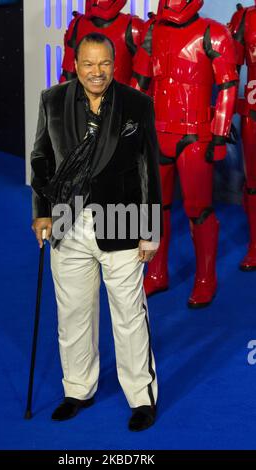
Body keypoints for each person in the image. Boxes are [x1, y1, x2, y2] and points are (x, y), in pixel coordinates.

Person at [30, 33, 162, 432]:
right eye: (88, 64)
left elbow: (148, 170)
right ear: (75, 63)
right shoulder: (52, 100)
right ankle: (77, 389)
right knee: (72, 314)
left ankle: (141, 397)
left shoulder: (137, 104)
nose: (97, 72)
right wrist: (42, 213)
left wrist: (149, 230)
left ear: (114, 62)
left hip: (122, 222)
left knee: (129, 315)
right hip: (67, 224)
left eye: (104, 63)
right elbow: (41, 161)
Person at [131, 0, 238, 308]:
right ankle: (156, 272)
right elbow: (139, 84)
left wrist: (218, 135)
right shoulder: (153, 31)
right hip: (157, 133)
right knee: (155, 206)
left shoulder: (214, 33)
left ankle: (206, 278)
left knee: (199, 210)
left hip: (194, 135)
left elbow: (228, 86)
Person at [228, 2, 256, 271]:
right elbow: (231, 72)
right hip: (253, 114)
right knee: (253, 182)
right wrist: (224, 114)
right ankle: (255, 245)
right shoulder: (245, 18)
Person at [59, 0, 143, 85]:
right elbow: (68, 75)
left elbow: (141, 80)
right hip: (83, 95)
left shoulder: (133, 27)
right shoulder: (77, 24)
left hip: (120, 96)